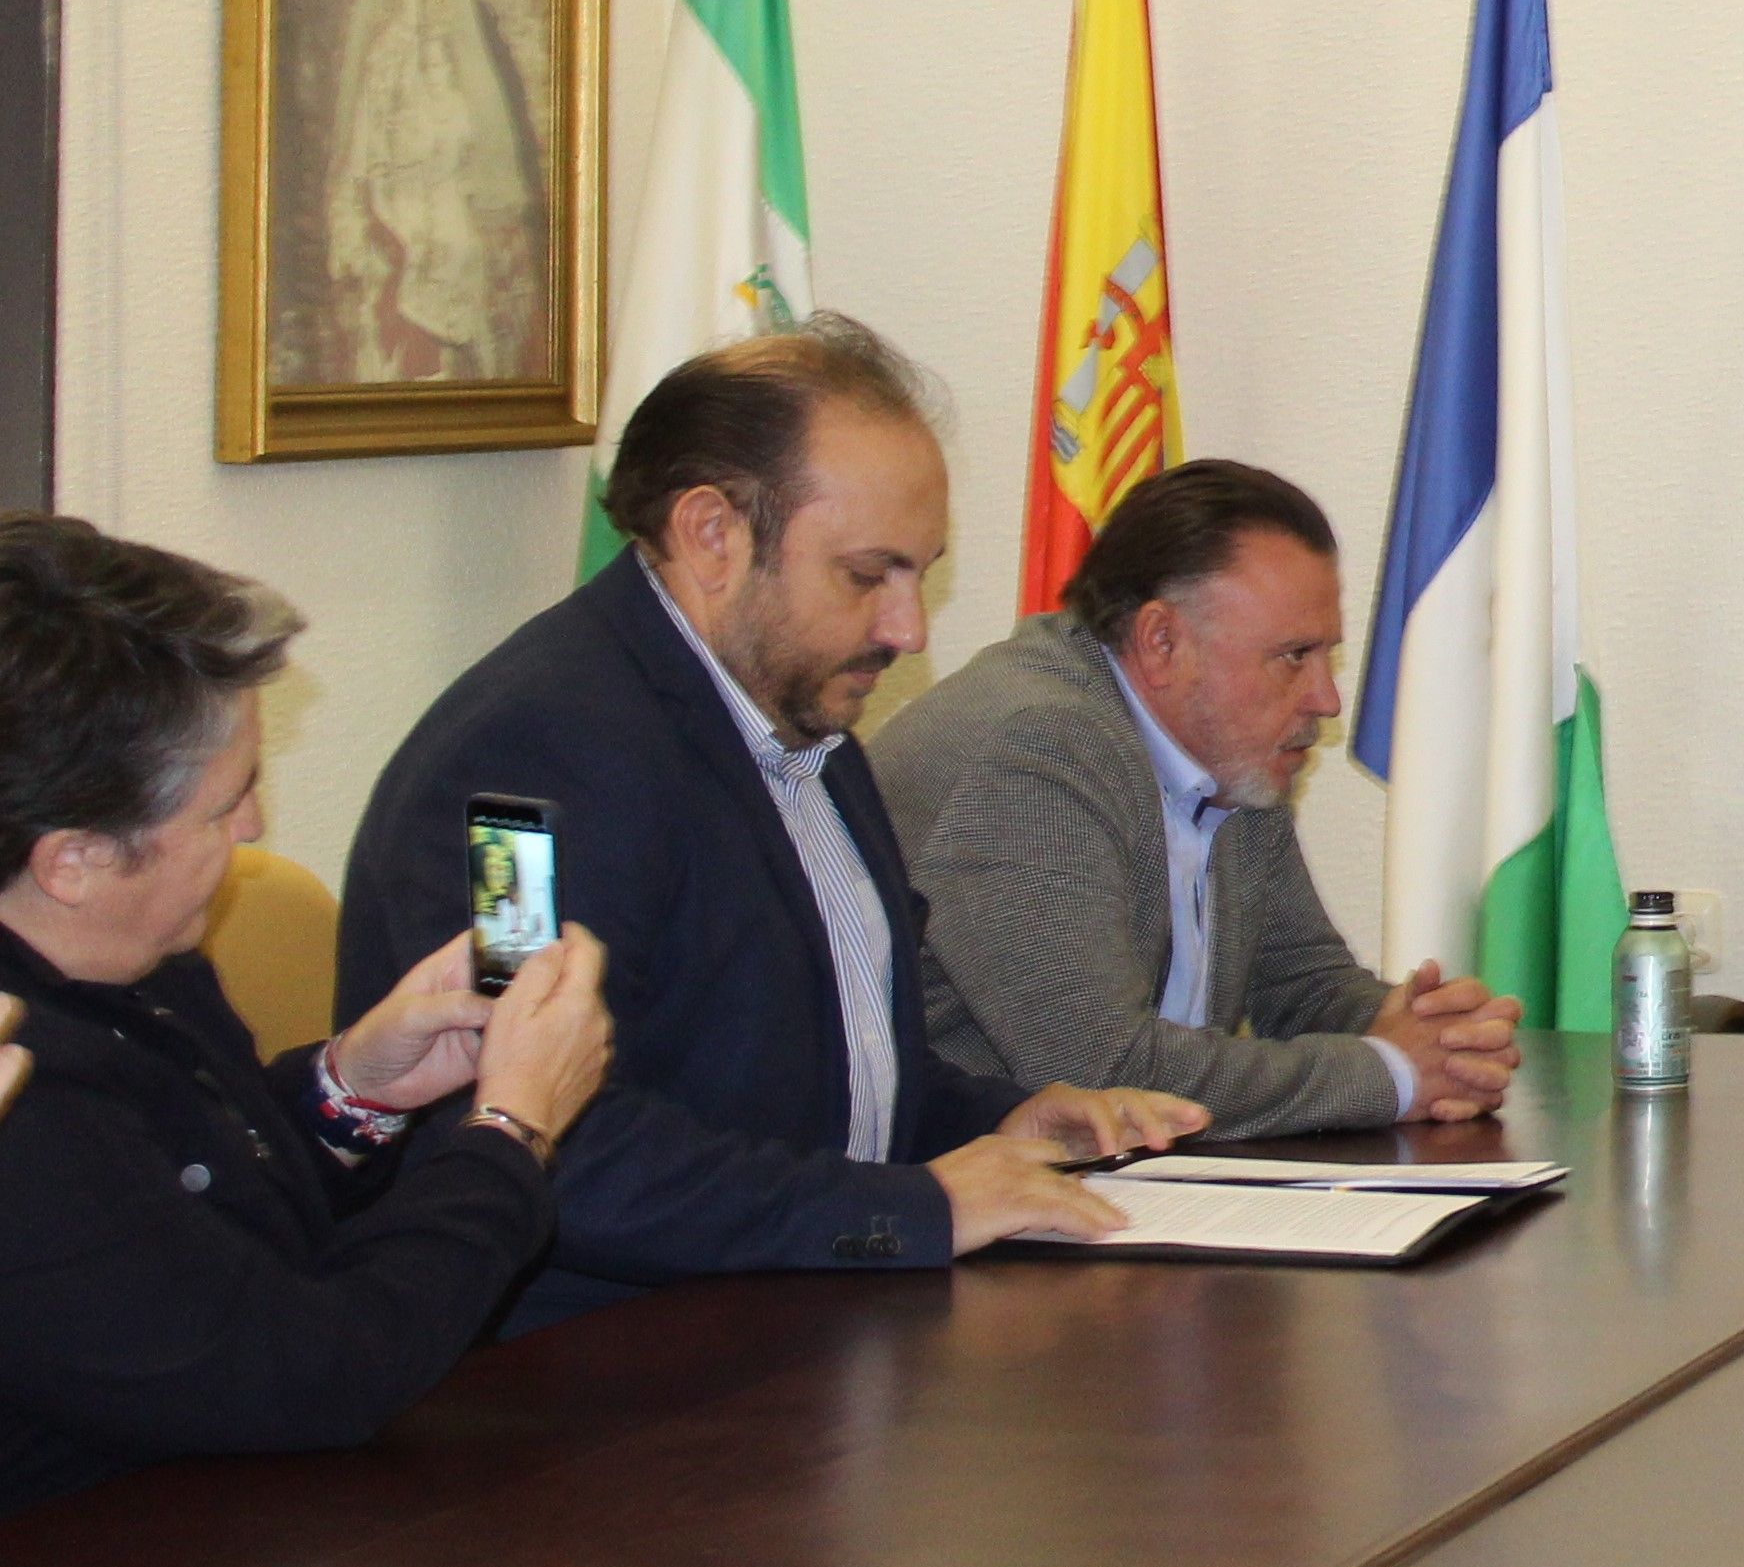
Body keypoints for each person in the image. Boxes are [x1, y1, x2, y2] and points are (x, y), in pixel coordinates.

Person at [339, 318, 1204, 1329]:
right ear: (712, 534)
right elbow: (538, 1140)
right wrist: (906, 1212)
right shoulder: (521, 765)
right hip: (583, 1382)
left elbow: (820, 1069)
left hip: (795, 1331)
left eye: (919, 573)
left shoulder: (804, 716)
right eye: (865, 573)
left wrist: (993, 1118)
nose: (908, 628)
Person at [0, 516, 615, 1512]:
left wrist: (352, 1091)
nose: (253, 828)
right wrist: (512, 1129)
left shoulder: (137, 961)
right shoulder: (17, 1095)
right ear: (71, 860)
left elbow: (197, 1215)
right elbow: (303, 1372)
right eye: (223, 803)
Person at [880, 459, 1520, 1134]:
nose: (1326, 700)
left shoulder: (1228, 754)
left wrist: (1430, 1035)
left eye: (1326, 656)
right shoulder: (1035, 745)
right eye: (1292, 655)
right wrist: (1391, 1075)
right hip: (949, 1204)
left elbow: (1301, 984)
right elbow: (1100, 1072)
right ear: (1161, 642)